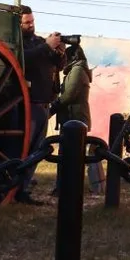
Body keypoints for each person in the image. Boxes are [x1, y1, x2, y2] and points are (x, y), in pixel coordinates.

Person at [14, 6, 64, 204]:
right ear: (18, 24)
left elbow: (58, 66)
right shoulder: (18, 43)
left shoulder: (39, 42)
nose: (31, 25)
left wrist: (59, 53)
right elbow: (24, 59)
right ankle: (13, 189)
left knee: (35, 151)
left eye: (32, 21)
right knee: (23, 149)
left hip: (44, 104)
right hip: (28, 104)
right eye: (27, 22)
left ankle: (23, 189)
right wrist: (46, 47)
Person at [51, 36, 92, 198]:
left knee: (70, 157)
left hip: (74, 119)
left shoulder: (77, 71)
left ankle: (68, 190)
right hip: (71, 118)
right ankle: (63, 188)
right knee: (67, 156)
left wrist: (51, 109)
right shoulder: (76, 70)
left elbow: (68, 96)